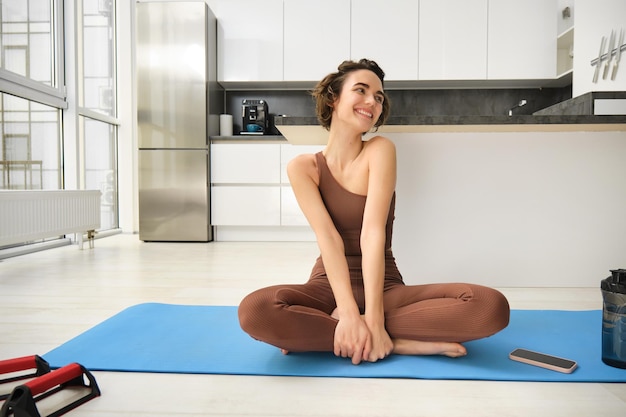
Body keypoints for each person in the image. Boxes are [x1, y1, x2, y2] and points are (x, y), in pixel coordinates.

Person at [238, 59, 510, 365]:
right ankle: (397, 343)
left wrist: (375, 319)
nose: (372, 101)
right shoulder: (304, 167)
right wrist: (350, 314)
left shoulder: (380, 149)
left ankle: (327, 335)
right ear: (333, 98)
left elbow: (372, 234)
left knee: (488, 306)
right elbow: (328, 239)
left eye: (379, 97)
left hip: (383, 286)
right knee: (255, 310)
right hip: (327, 286)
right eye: (361, 90)